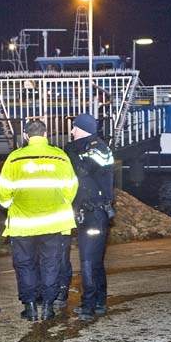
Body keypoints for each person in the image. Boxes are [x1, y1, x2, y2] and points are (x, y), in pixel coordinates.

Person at [0, 119, 78, 321]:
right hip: (54, 223)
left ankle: (30, 307)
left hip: (23, 225)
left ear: (25, 136)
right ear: (46, 134)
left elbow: (3, 193)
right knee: (51, 264)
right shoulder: (60, 157)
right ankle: (48, 307)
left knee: (25, 265)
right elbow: (71, 188)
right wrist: (59, 203)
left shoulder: (14, 159)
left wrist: (12, 205)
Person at [65, 113, 115, 322]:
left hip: (94, 213)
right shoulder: (90, 147)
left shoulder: (97, 149)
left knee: (87, 260)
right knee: (94, 261)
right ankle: (99, 302)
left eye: (74, 128)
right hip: (92, 212)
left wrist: (70, 152)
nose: (71, 131)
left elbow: (84, 171)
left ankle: (88, 305)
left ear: (81, 128)